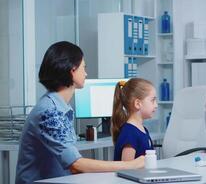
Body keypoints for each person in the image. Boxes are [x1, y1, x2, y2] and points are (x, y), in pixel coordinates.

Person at [15, 41, 144, 184]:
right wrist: (130, 165)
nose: (86, 73)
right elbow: (76, 165)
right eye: (84, 67)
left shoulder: (60, 107)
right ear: (72, 70)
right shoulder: (49, 112)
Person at [111, 78, 157, 161]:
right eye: (152, 100)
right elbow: (127, 168)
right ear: (137, 104)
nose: (156, 105)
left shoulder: (143, 130)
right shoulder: (129, 133)